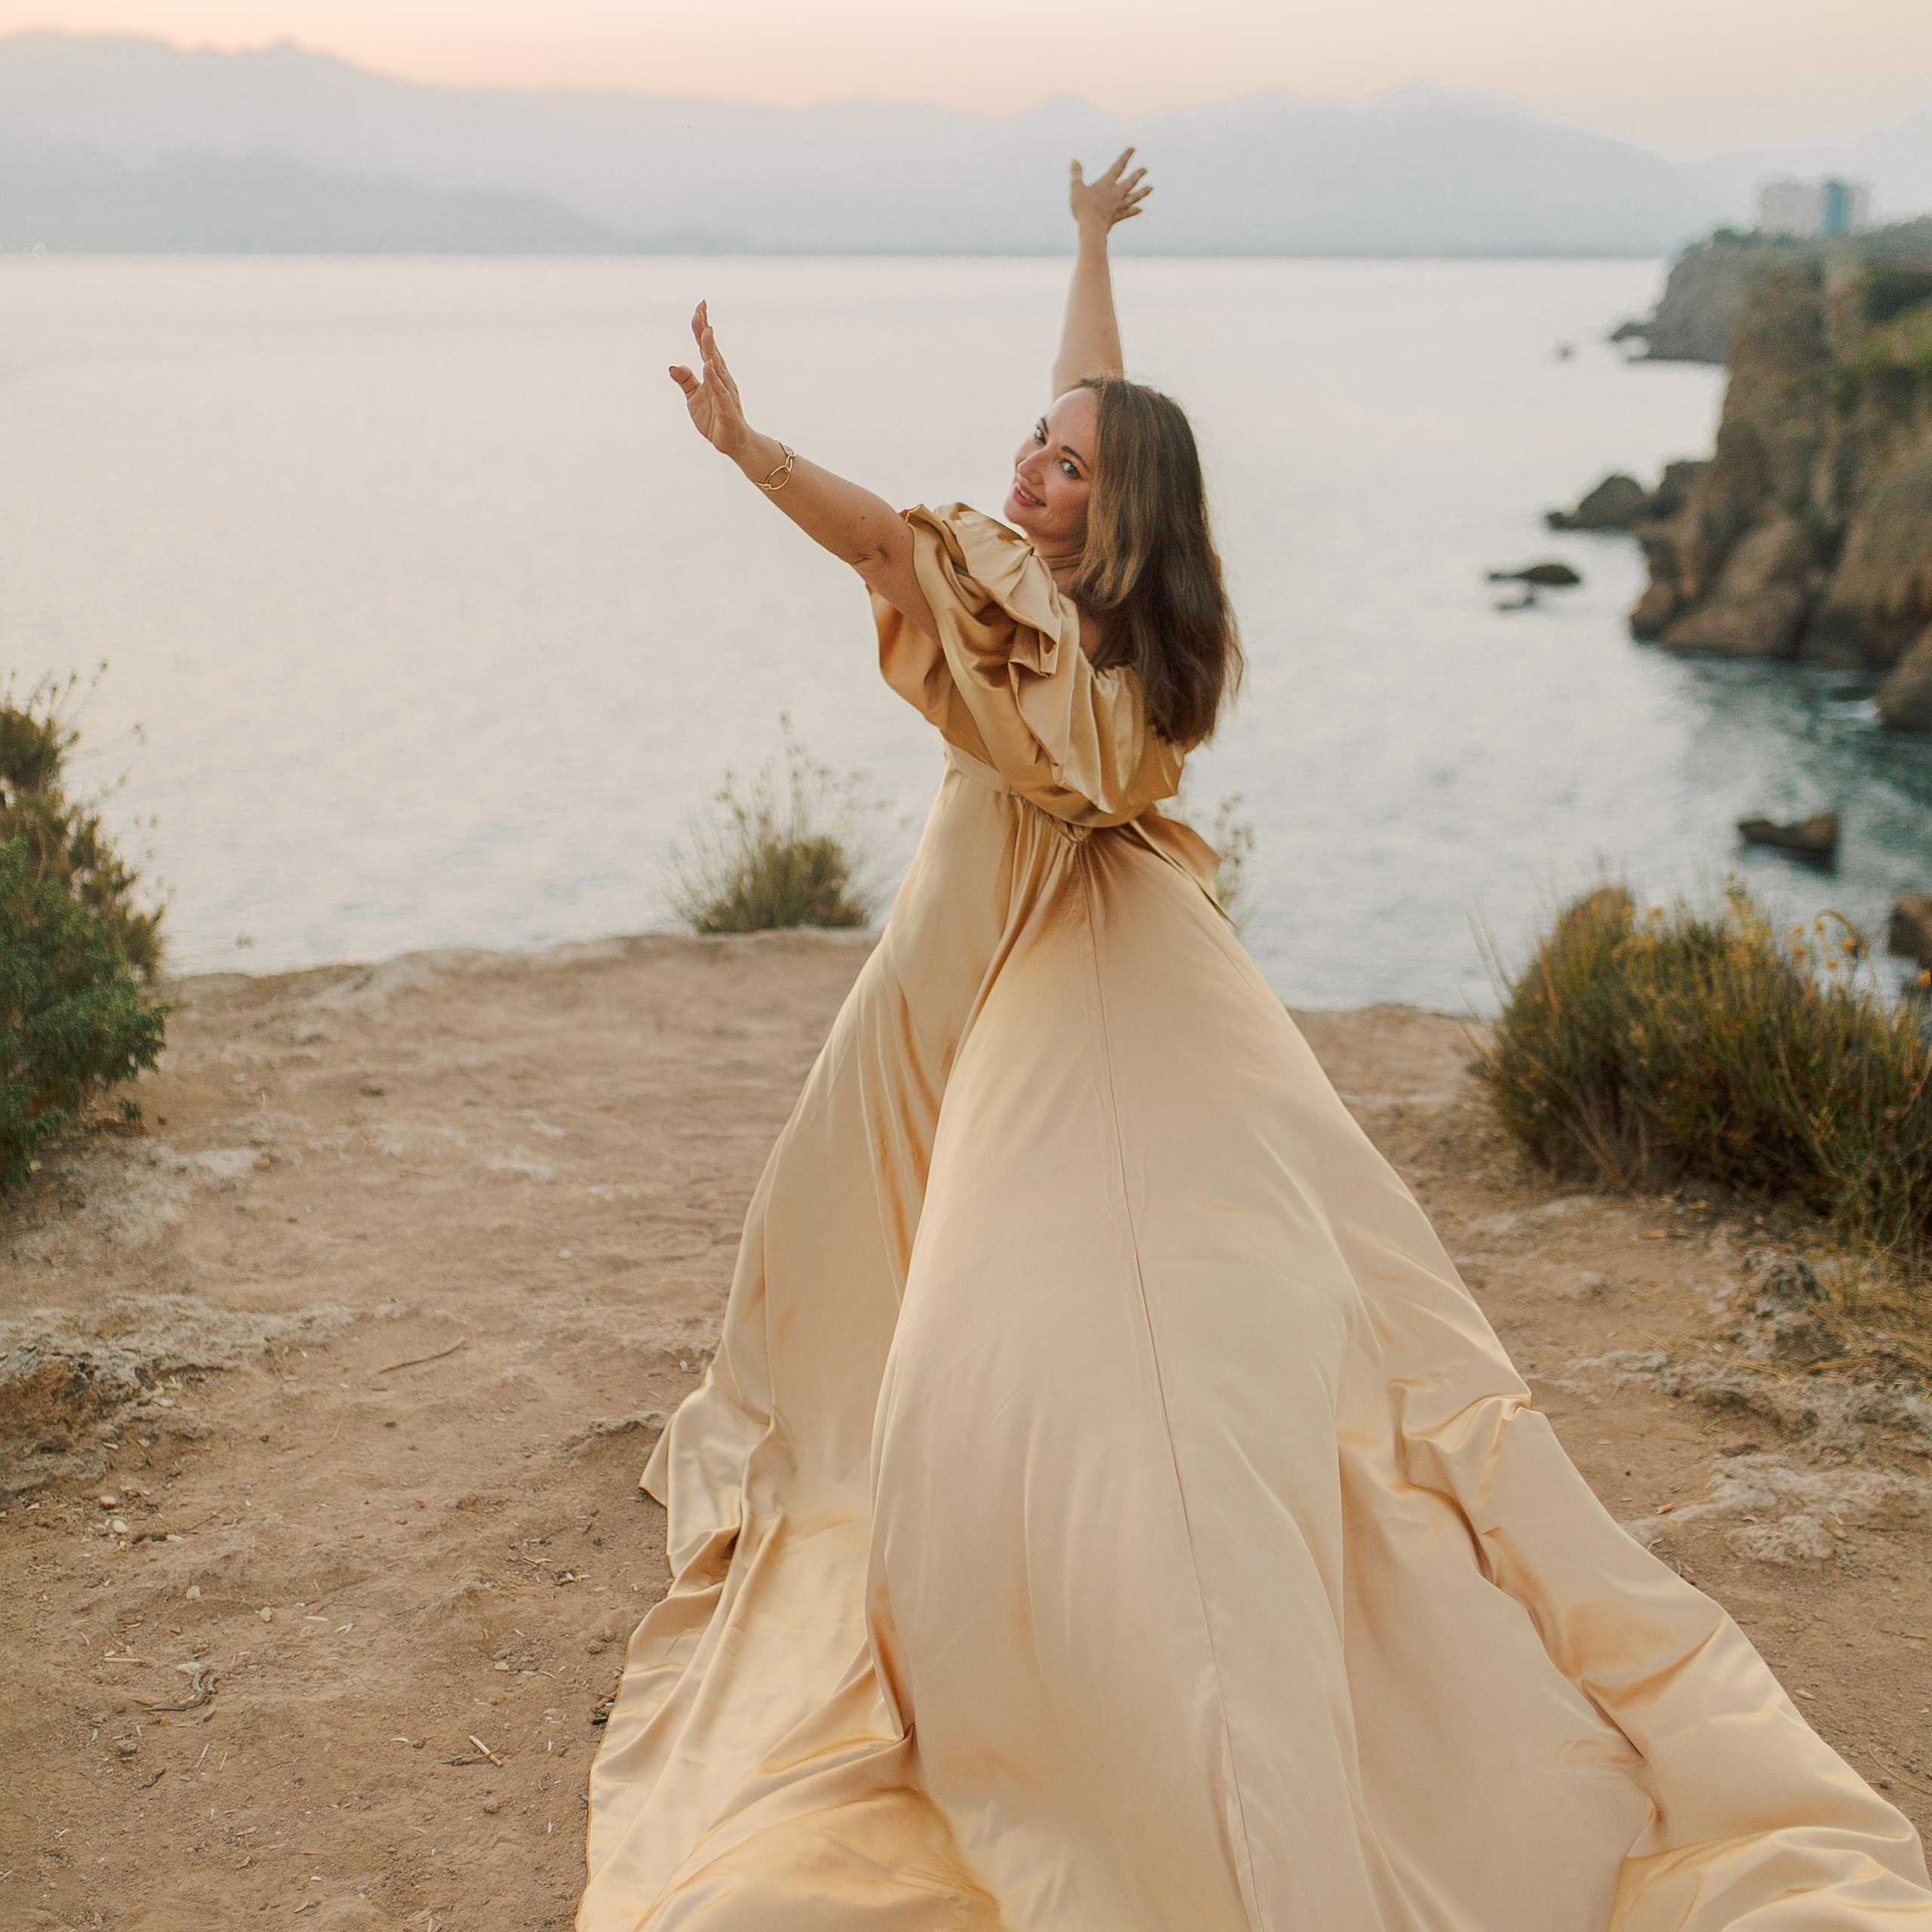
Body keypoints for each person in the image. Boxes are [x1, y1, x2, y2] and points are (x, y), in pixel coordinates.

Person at [578, 152, 1932, 1931]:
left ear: (1111, 514)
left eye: (1061, 466)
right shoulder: (1100, 604)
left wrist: (751, 450)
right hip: (964, 941)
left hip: (1035, 950)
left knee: (1021, 1254)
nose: (1028, 464)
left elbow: (890, 545)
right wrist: (1085, 246)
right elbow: (1095, 402)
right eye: (1032, 443)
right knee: (875, 1199)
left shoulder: (1066, 645)